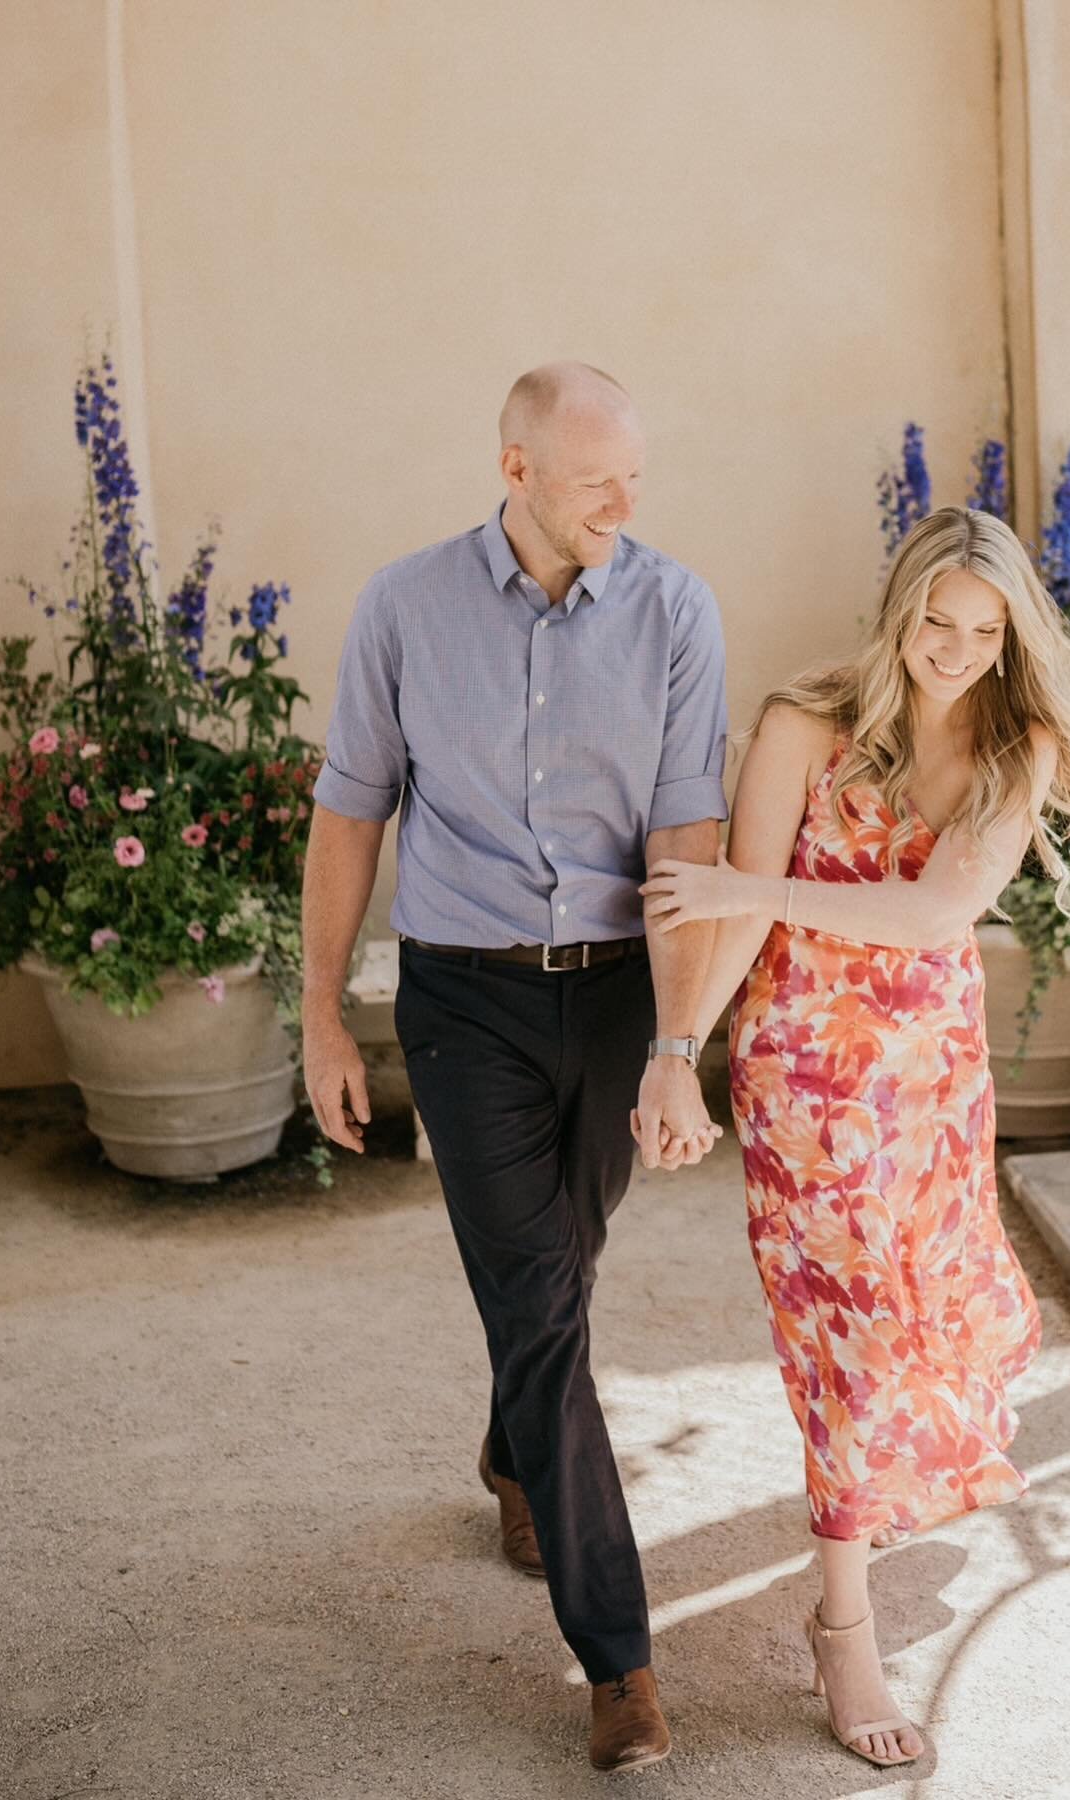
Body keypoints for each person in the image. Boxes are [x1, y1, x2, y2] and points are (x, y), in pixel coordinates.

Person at [642, 505, 1070, 1770]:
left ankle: (862, 1530)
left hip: (930, 1078)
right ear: (899, 608)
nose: (958, 648)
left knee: (932, 1306)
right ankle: (844, 1624)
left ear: (1011, 632)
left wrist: (752, 887)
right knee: (849, 1340)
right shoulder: (804, 723)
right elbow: (739, 934)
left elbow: (931, 915)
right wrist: (672, 1057)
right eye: (938, 622)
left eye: (985, 629)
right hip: (805, 1080)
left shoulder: (1015, 746)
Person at [301, 362, 727, 1774]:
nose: (625, 500)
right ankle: (618, 1657)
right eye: (597, 476)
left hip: (613, 1001)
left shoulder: (673, 611)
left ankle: (510, 1456)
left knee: (562, 1264)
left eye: (634, 477)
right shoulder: (405, 608)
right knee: (543, 1301)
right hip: (463, 1008)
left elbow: (684, 847)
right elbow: (351, 817)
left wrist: (676, 1046)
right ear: (516, 469)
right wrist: (320, 1015)